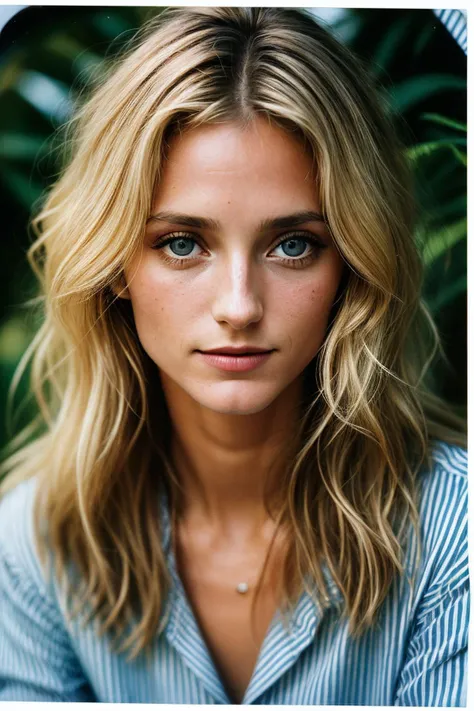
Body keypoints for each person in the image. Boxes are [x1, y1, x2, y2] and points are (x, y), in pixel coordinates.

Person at [0, 6, 468, 706]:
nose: (240, 305)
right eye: (183, 242)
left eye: (294, 244)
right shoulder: (35, 548)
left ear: (354, 263)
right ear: (115, 262)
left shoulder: (455, 529)